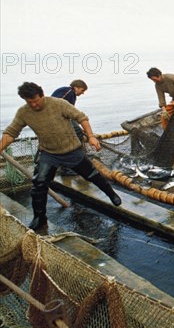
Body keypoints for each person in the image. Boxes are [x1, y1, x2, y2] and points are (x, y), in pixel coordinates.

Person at [0, 82, 122, 230]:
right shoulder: (23, 112)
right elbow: (11, 132)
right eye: (29, 102)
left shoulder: (59, 104)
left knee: (92, 175)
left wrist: (91, 136)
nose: (33, 105)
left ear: (42, 95)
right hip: (49, 153)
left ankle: (111, 194)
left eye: (36, 101)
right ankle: (40, 218)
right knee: (39, 184)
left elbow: (81, 117)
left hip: (72, 150)